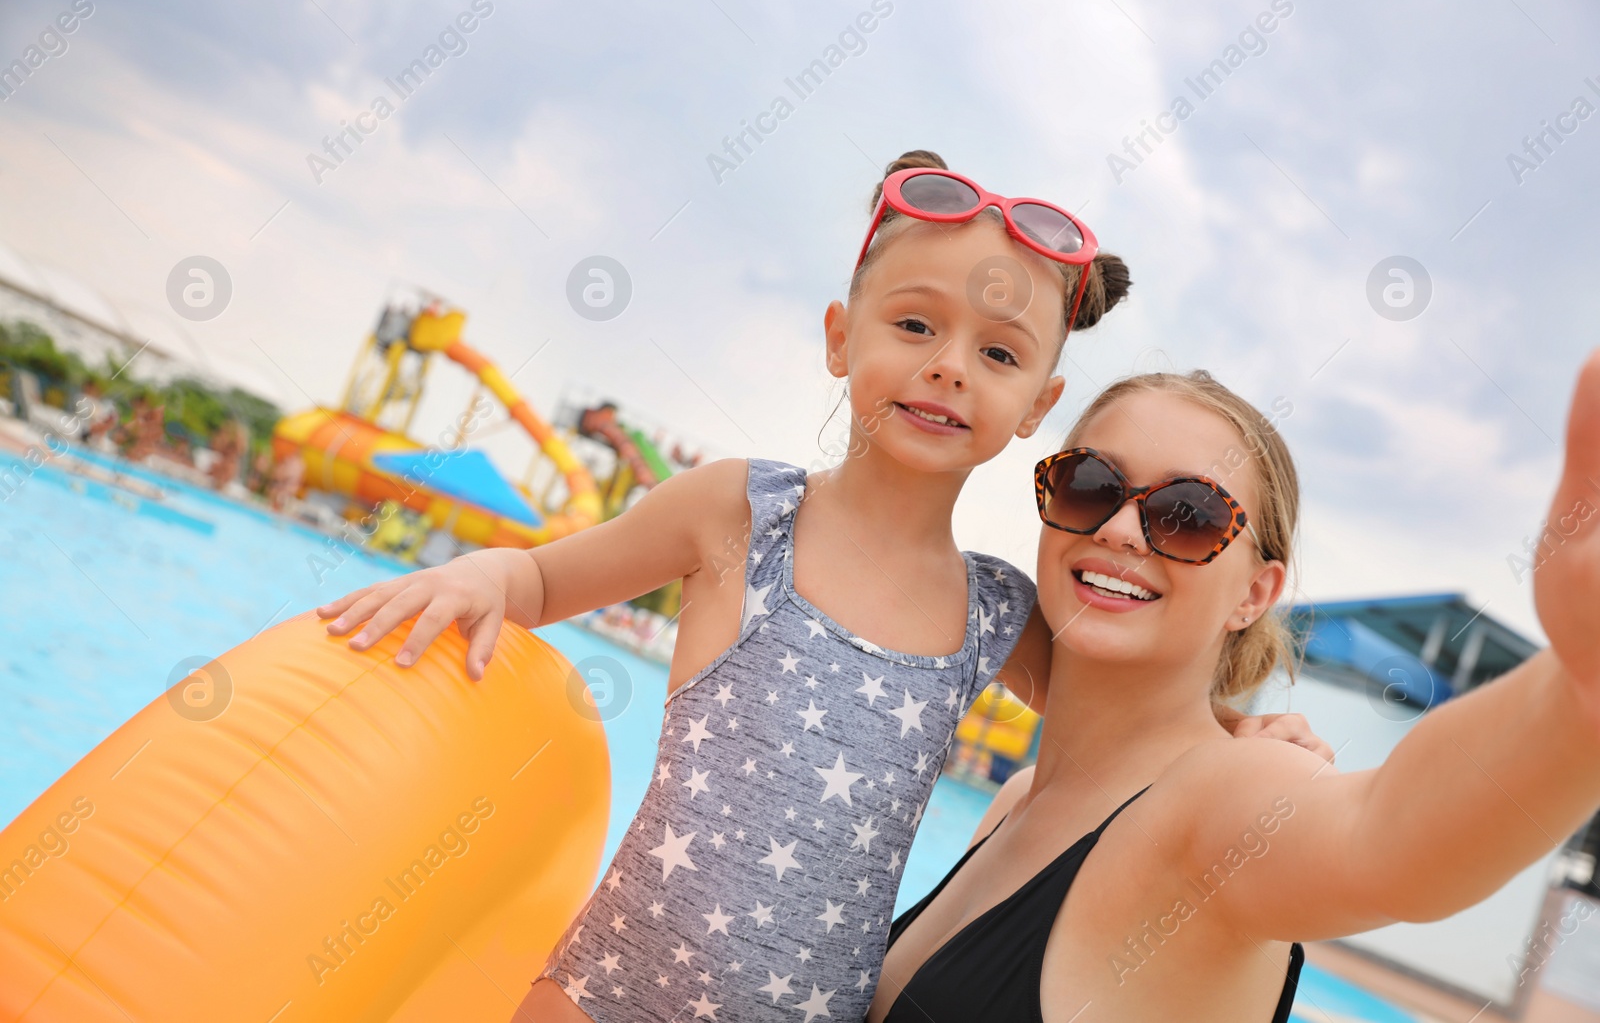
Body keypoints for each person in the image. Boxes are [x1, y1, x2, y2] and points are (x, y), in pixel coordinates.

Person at [316, 151, 1326, 1023]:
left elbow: (1128, 725)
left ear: (1035, 406)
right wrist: (479, 571)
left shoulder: (994, 610)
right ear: (841, 337)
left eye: (999, 353)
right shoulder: (735, 514)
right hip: (610, 989)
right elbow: (543, 574)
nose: (949, 369)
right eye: (915, 326)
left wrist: (1246, 735)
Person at [867, 362, 1600, 1022]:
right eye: (1090, 483)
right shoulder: (1015, 802)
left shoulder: (1226, 798)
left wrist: (1579, 687)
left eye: (1188, 515)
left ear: (1255, 592)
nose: (1122, 527)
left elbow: (1385, 836)